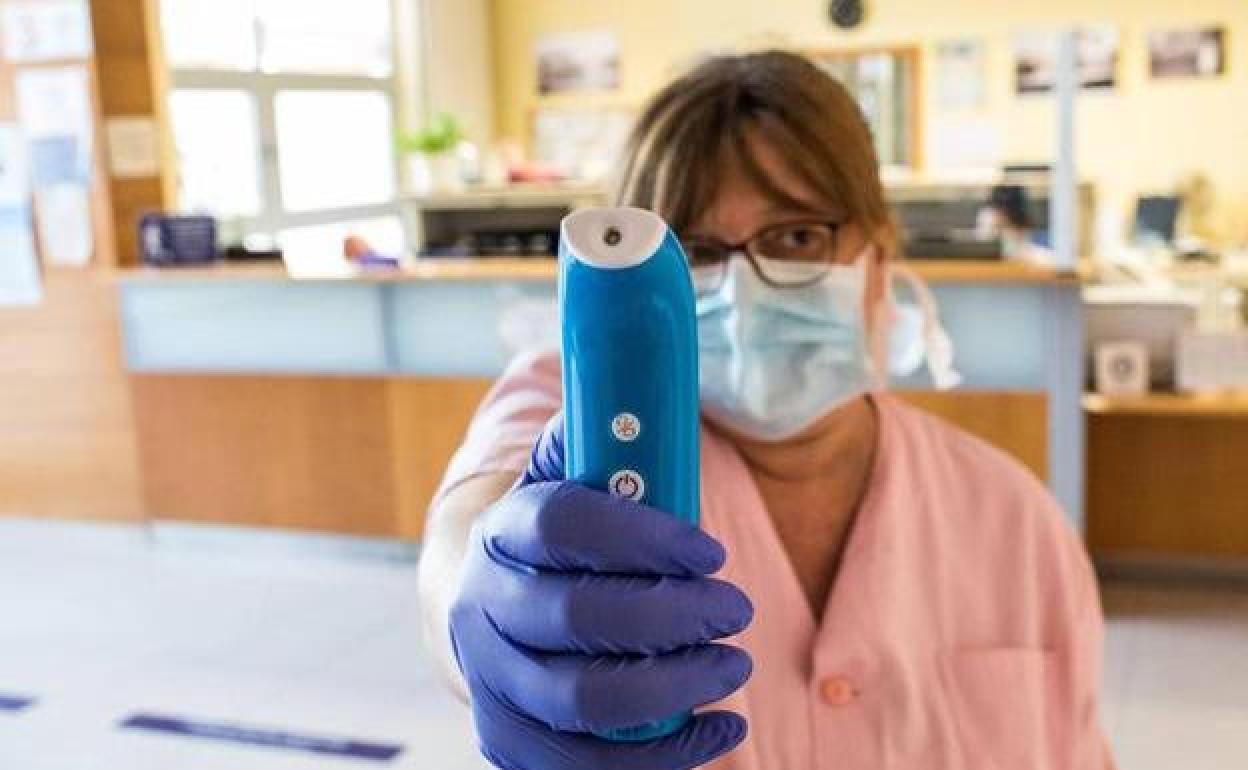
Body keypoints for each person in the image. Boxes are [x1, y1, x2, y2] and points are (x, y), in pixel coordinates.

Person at [418, 50, 1115, 770]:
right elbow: (466, 530)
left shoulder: (1013, 518)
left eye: (797, 237)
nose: (746, 293)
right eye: (694, 250)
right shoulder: (590, 423)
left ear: (877, 255)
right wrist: (483, 612)